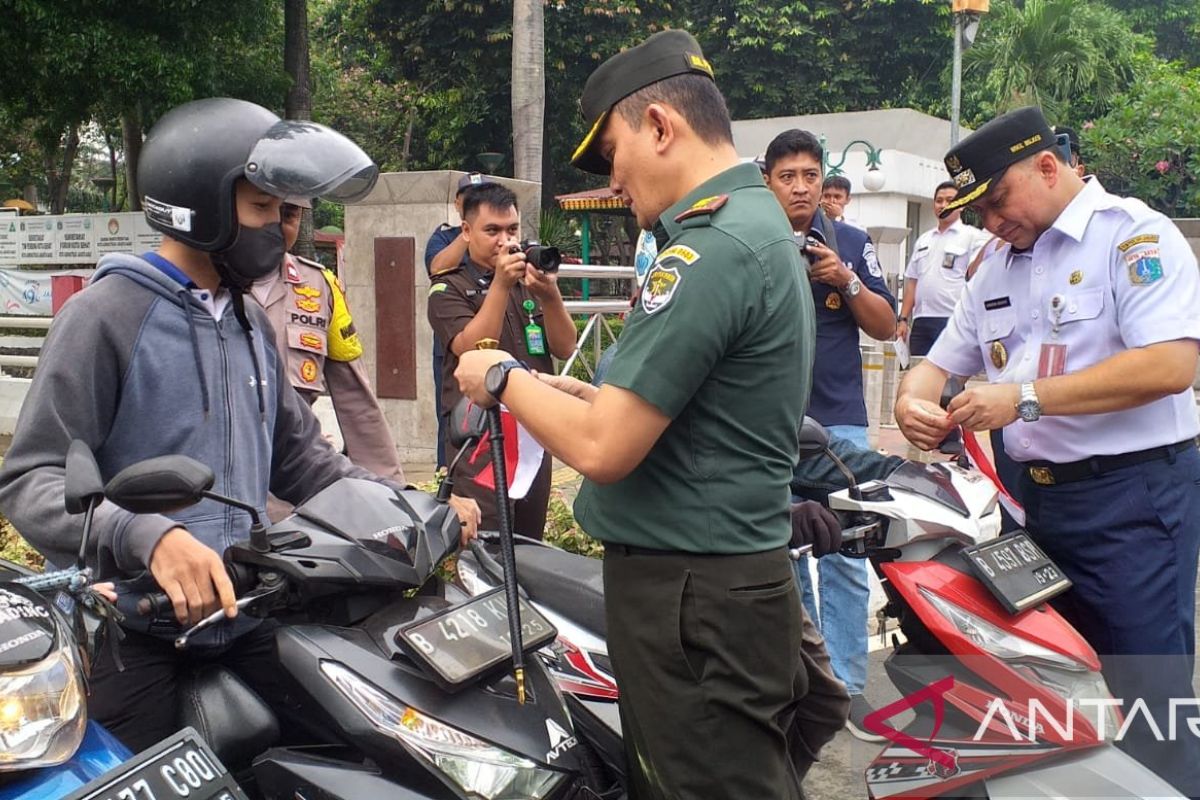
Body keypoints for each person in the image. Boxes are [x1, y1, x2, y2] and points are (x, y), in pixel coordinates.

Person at [0, 98, 479, 754]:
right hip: (129, 630)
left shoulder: (248, 322)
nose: (281, 230)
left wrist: (416, 513)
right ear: (202, 206)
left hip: (242, 613)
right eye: (263, 210)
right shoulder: (104, 317)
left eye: (287, 213)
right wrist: (145, 534)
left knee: (352, 752)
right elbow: (29, 480)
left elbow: (307, 461)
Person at [454, 30, 847, 799]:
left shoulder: (710, 250)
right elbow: (694, 418)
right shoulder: (754, 229)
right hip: (722, 583)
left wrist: (501, 375)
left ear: (662, 127)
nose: (613, 184)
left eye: (612, 155)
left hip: (691, 598)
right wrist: (578, 394)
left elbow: (604, 451)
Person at [894, 105, 1200, 794]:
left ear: (1048, 165)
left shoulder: (1131, 238)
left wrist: (1023, 397)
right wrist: (913, 402)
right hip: (1028, 507)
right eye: (980, 210)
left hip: (1130, 504)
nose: (993, 221)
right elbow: (936, 363)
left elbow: (1171, 366)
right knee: (1046, 692)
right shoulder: (995, 265)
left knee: (1147, 699)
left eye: (999, 200)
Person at [763, 127, 896, 740]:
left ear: (823, 182)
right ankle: (806, 677)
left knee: (846, 553)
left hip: (839, 419)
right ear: (769, 181)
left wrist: (844, 278)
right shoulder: (753, 242)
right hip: (770, 425)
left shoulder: (853, 241)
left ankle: (847, 684)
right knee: (786, 553)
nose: (799, 186)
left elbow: (888, 326)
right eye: (786, 176)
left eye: (809, 175)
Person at [427, 182, 575, 539]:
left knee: (528, 543)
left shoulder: (528, 281)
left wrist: (551, 296)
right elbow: (472, 348)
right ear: (466, 231)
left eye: (512, 229)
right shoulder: (449, 288)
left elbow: (565, 346)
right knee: (486, 548)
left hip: (533, 434)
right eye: (491, 230)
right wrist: (500, 286)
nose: (505, 241)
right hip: (481, 441)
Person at [249, 197, 405, 500]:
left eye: (288, 214)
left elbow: (357, 401)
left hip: (294, 495)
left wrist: (395, 498)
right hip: (222, 497)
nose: (275, 224)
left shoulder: (320, 286)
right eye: (262, 209)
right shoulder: (205, 286)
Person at [425, 172, 494, 470]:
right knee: (452, 415)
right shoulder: (444, 236)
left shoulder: (495, 236)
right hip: (453, 345)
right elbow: (437, 267)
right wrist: (468, 235)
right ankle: (447, 476)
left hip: (496, 341)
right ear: (457, 203)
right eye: (469, 199)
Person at [896, 181, 989, 356]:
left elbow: (978, 278)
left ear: (961, 204)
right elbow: (912, 282)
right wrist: (903, 319)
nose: (943, 205)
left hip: (953, 319)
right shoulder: (924, 240)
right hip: (921, 320)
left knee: (949, 380)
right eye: (939, 200)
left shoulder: (973, 237)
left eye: (949, 200)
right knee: (918, 375)